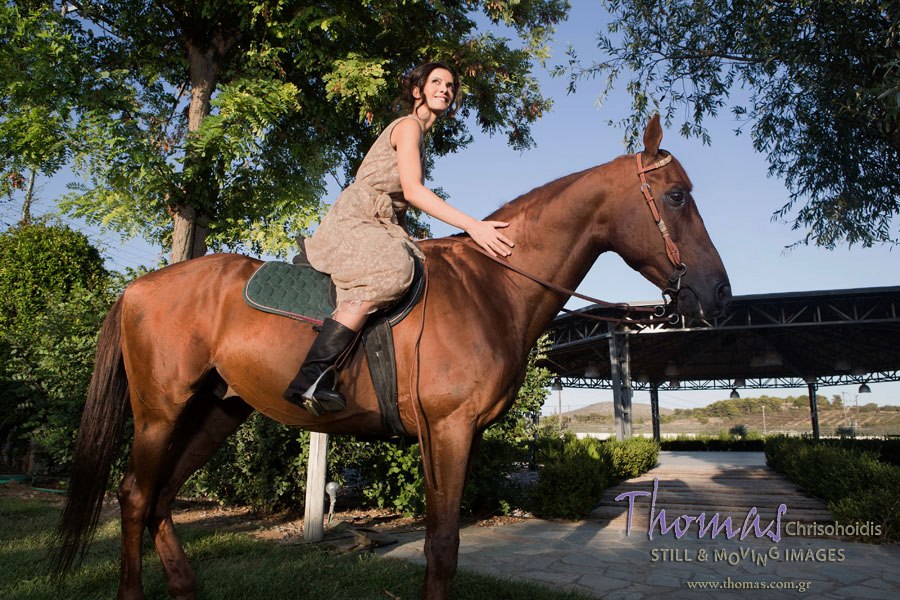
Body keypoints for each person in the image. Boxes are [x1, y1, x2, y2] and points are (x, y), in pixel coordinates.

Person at [283, 61, 515, 415]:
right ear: (417, 90)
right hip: (355, 218)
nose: (445, 89)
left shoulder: (420, 137)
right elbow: (414, 191)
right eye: (436, 82)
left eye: (451, 86)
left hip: (380, 220)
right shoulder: (408, 127)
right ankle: (311, 377)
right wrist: (473, 226)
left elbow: (401, 204)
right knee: (393, 270)